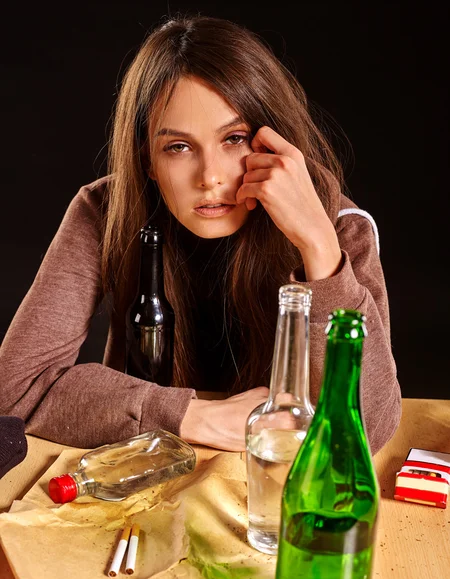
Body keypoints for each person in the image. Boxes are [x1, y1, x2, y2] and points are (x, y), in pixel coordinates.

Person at [0, 15, 401, 454]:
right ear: (148, 160)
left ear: (273, 142)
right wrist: (192, 417)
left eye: (234, 138)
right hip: (143, 468)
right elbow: (15, 388)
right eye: (179, 147)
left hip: (274, 481)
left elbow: (369, 427)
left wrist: (320, 248)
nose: (210, 177)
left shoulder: (340, 225)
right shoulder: (104, 210)